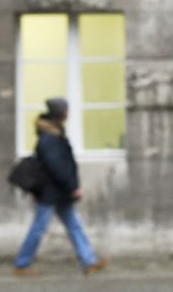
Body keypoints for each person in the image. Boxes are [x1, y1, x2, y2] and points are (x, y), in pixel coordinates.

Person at [13, 97, 106, 276]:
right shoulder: (50, 138)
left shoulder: (53, 134)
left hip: (56, 191)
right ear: (59, 113)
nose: (68, 113)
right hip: (52, 191)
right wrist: (72, 186)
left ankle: (88, 261)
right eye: (66, 109)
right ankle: (22, 264)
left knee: (73, 224)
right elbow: (57, 166)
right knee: (40, 227)